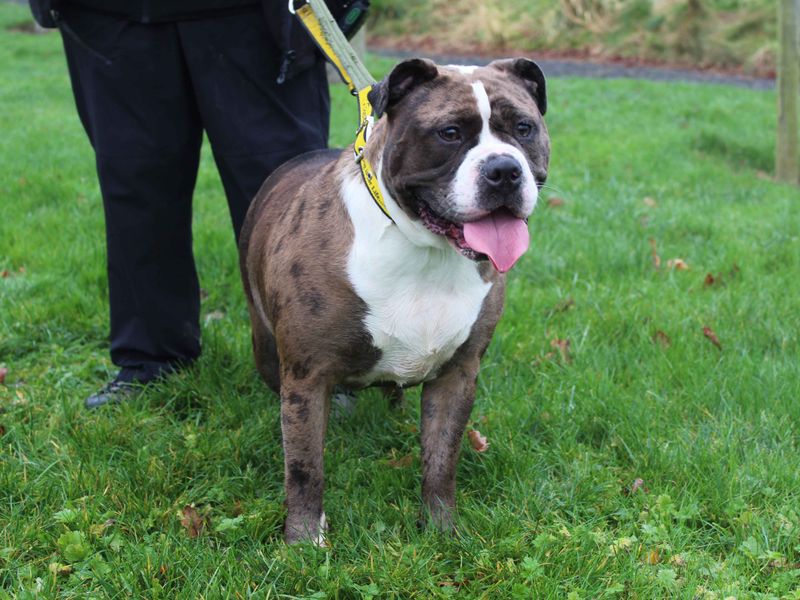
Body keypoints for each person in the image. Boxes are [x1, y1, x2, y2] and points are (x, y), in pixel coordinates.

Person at [28, 0, 332, 408]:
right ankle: (151, 358)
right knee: (135, 184)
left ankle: (319, 360)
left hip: (252, 16)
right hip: (108, 16)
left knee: (285, 190)